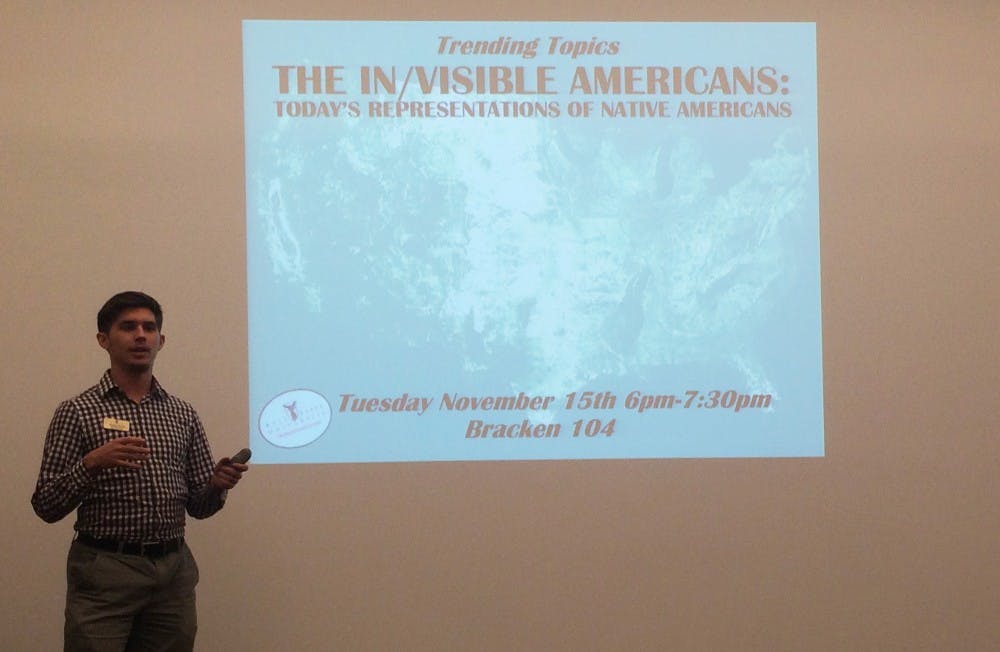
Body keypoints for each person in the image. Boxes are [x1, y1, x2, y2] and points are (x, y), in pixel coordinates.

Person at [31, 291, 248, 652]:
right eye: (128, 327)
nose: (141, 335)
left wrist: (215, 485)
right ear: (104, 339)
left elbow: (199, 506)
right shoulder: (77, 411)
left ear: (161, 341)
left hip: (173, 572)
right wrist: (91, 463)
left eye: (149, 328)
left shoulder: (182, 414)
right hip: (104, 572)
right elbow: (45, 505)